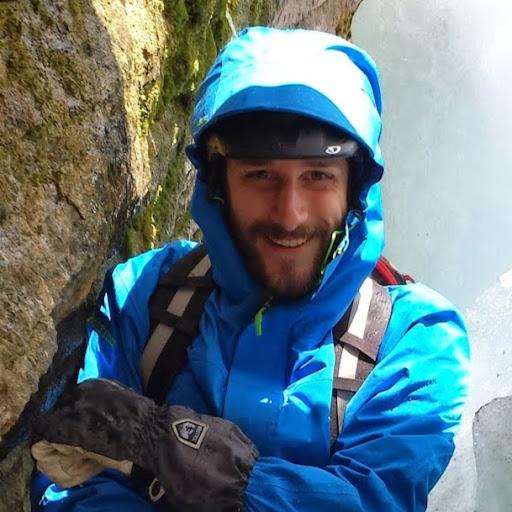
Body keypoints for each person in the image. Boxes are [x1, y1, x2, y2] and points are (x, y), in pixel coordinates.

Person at [30, 26, 470, 511]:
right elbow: (71, 488)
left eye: (318, 176)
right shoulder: (144, 293)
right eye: (260, 175)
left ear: (355, 190)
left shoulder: (416, 339)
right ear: (218, 184)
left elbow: (374, 500)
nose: (290, 215)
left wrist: (187, 455)